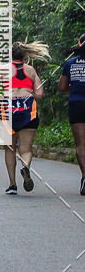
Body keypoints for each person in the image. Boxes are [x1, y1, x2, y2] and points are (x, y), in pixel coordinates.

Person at [0, 41, 49, 195]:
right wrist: (28, 94)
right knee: (26, 149)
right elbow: (40, 94)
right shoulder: (31, 70)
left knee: (10, 148)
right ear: (25, 55)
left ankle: (12, 185)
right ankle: (25, 167)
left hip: (8, 110)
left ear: (10, 55)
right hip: (28, 109)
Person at [58, 33, 85, 195]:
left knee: (81, 144)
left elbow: (62, 88)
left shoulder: (70, 63)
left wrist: (74, 88)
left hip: (77, 104)